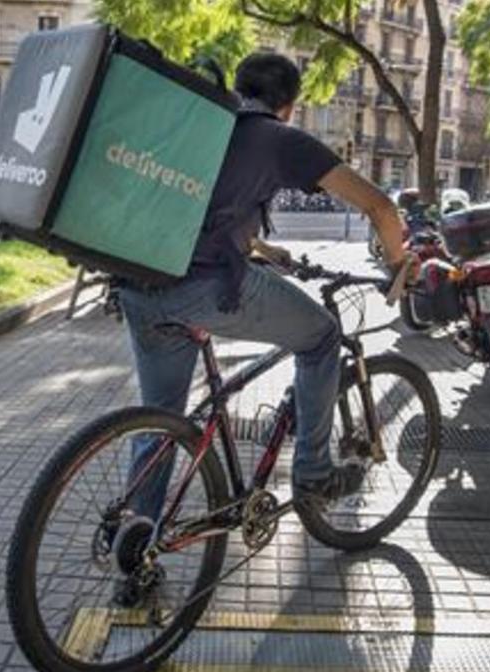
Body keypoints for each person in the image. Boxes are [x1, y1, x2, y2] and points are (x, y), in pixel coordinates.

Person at [116, 53, 413, 546]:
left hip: (141, 284)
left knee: (163, 421)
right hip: (205, 285)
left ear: (239, 86)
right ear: (290, 106)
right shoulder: (280, 139)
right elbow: (379, 205)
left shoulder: (207, 124)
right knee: (320, 337)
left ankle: (135, 542)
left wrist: (262, 248)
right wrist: (400, 263)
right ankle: (315, 473)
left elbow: (205, 201)